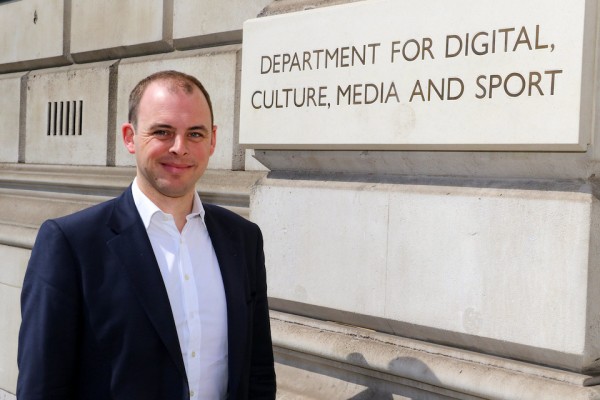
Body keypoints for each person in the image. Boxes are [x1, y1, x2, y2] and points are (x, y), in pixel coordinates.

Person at [17, 70, 276, 399]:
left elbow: (258, 370)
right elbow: (42, 387)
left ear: (212, 140)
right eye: (163, 132)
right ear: (130, 137)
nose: (180, 148)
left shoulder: (242, 238)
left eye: (195, 134)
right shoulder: (71, 245)